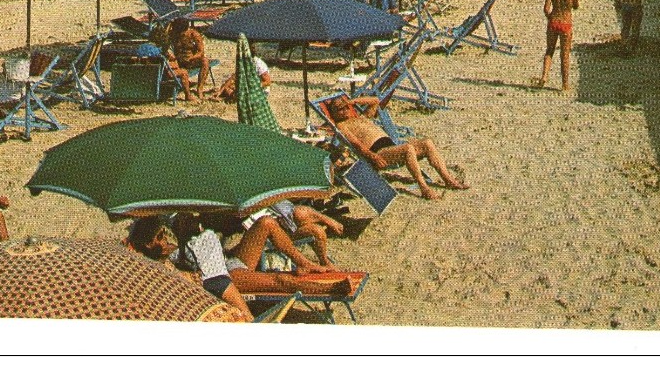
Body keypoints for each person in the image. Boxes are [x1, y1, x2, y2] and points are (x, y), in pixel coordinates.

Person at [127, 214, 346, 323]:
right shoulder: (166, 255)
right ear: (149, 244)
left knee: (267, 222)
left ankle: (307, 264)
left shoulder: (174, 231)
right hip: (226, 274)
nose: (164, 237)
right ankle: (335, 288)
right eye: (159, 236)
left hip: (229, 258)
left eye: (164, 233)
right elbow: (210, 278)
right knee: (281, 281)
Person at [327, 95, 469, 200]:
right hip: (379, 153)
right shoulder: (341, 126)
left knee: (427, 143)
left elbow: (375, 101)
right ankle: (424, 188)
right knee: (407, 149)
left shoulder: (360, 117)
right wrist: (373, 157)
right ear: (333, 113)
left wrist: (353, 101)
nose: (344, 110)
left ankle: (448, 180)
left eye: (346, 107)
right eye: (339, 109)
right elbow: (357, 145)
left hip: (391, 147)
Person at [533, 0, 579, 92]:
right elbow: (576, 6)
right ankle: (565, 85)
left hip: (553, 22)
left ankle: (544, 76)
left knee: (549, 51)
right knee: (565, 55)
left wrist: (550, 19)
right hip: (566, 23)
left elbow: (546, 9)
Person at [154, 18, 210, 102]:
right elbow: (162, 36)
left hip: (191, 60)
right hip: (179, 61)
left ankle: (200, 89)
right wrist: (170, 24)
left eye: (182, 33)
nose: (180, 34)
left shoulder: (194, 35)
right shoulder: (174, 34)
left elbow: (201, 52)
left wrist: (192, 58)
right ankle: (188, 94)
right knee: (175, 67)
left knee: (205, 61)